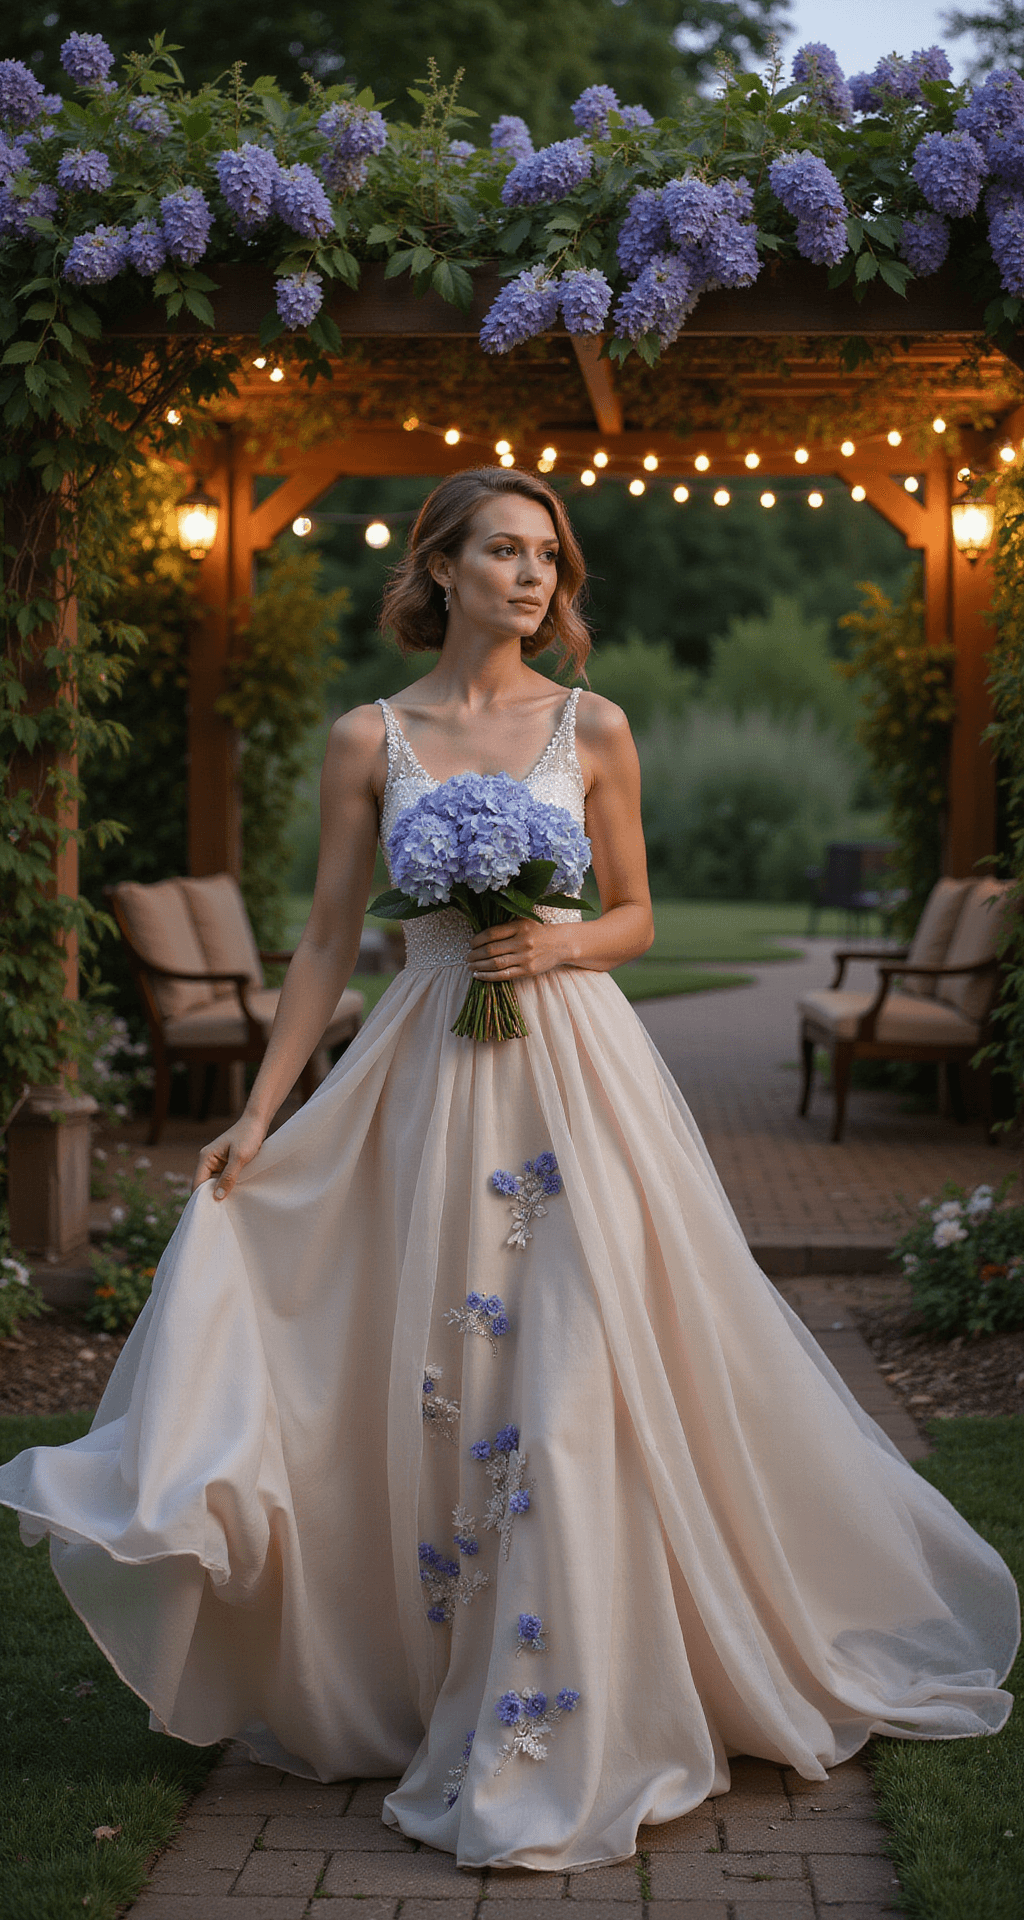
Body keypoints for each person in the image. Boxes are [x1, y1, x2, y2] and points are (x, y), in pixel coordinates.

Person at [0, 468, 1017, 1874]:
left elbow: (641, 912)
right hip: (427, 1068)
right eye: (504, 551)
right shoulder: (372, 737)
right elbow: (324, 941)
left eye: (550, 556)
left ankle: (572, 1696)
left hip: (573, 1073)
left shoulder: (594, 725)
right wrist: (262, 1110)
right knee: (431, 1356)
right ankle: (431, 1680)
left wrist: (559, 941)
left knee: (581, 1355)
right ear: (442, 567)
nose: (534, 577)